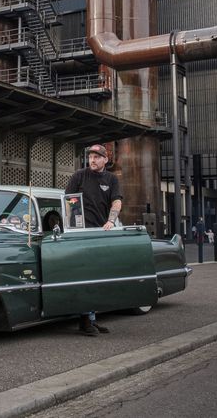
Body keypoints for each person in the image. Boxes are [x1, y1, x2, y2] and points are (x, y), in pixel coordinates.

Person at [65, 143, 122, 336]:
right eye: (90, 156)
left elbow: (117, 201)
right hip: (81, 234)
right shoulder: (79, 176)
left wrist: (111, 221)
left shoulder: (112, 179)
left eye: (97, 157)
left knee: (99, 277)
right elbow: (69, 201)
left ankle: (91, 318)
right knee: (85, 277)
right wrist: (71, 226)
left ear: (106, 159)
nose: (92, 160)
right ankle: (84, 321)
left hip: (101, 233)